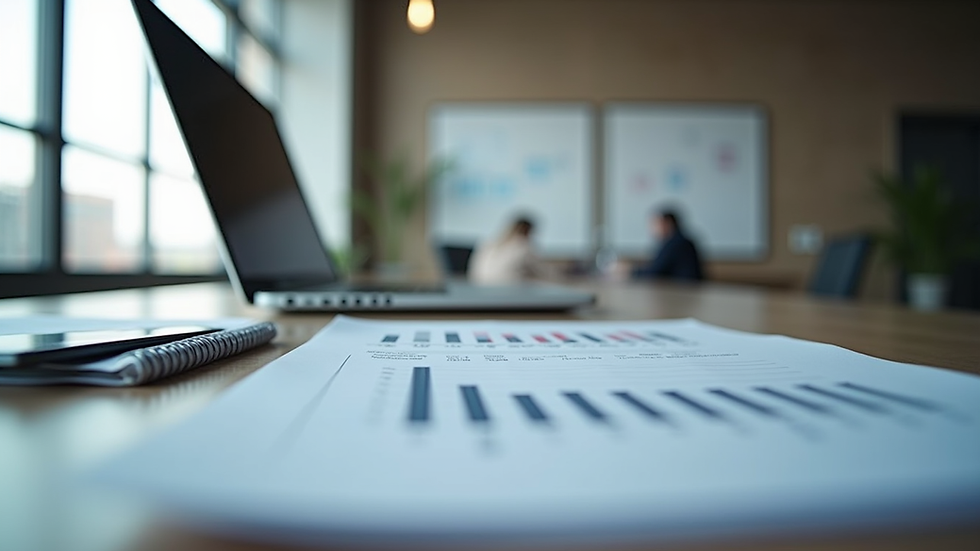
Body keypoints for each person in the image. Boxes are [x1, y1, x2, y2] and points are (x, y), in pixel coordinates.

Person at [468, 216, 548, 284]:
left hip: (479, 288)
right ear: (528, 231)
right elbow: (544, 272)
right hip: (511, 293)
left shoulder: (488, 243)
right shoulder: (523, 246)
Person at [633, 209, 704, 281]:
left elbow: (655, 271)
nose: (653, 230)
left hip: (686, 289)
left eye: (656, 224)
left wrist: (631, 271)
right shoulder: (678, 241)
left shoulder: (676, 244)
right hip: (684, 287)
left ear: (667, 223)